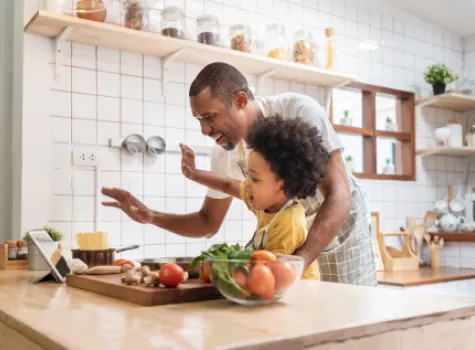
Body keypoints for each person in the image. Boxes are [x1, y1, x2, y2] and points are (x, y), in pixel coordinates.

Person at [102, 62, 377, 286]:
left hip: (340, 228)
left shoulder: (297, 110)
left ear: (240, 100)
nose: (204, 131)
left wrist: (301, 260)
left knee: (349, 317)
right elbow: (208, 221)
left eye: (209, 117)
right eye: (199, 120)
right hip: (290, 240)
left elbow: (339, 194)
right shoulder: (223, 153)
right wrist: (151, 216)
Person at [181, 115, 330, 280]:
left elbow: (271, 273)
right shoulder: (266, 200)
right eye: (248, 176)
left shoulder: (289, 223)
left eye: (255, 178)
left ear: (281, 186)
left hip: (301, 293)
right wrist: (194, 174)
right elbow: (227, 185)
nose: (247, 183)